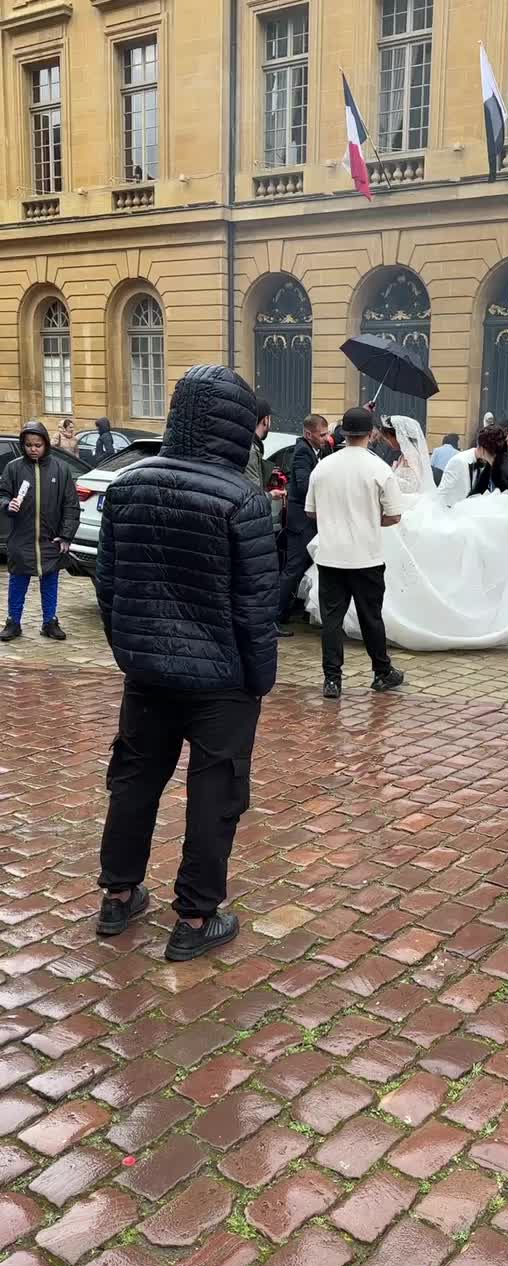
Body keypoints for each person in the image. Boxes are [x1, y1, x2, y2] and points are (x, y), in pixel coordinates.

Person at [94, 365, 279, 961]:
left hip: (147, 670)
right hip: (220, 678)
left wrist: (130, 648)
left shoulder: (128, 484)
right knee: (214, 792)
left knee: (133, 781)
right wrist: (259, 678)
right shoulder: (241, 497)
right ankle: (196, 918)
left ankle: (118, 893)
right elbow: (256, 603)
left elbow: (109, 582)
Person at [305, 415, 508, 650]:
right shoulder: (382, 464)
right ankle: (378, 659)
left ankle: (343, 666)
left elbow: (429, 494)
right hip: (396, 514)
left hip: (388, 520)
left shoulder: (341, 465)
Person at [305, 406, 404, 700]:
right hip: (367, 555)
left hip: (331, 555)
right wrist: (372, 518)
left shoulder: (323, 467)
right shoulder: (379, 469)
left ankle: (332, 679)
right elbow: (395, 516)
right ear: (371, 434)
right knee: (371, 617)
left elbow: (311, 512)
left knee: (331, 621)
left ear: (344, 433)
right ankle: (382, 672)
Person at [0, 423, 80, 643]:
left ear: (46, 444)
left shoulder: (60, 469)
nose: (33, 449)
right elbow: (2, 494)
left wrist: (66, 535)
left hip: (50, 538)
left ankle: (50, 622)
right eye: (28, 445)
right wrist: (7, 504)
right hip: (21, 538)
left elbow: (71, 504)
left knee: (50, 580)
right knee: (18, 581)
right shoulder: (13, 468)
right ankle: (13, 622)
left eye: (37, 445)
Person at [277, 413, 330, 634]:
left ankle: (290, 611)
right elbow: (302, 486)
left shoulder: (317, 449)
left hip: (310, 522)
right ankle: (273, 616)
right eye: (322, 434)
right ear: (309, 433)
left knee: (302, 569)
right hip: (301, 524)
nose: (326, 438)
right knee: (292, 570)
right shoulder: (301, 452)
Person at [245, 398, 272, 490]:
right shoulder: (251, 450)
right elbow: (254, 494)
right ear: (265, 420)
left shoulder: (245, 443)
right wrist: (271, 495)